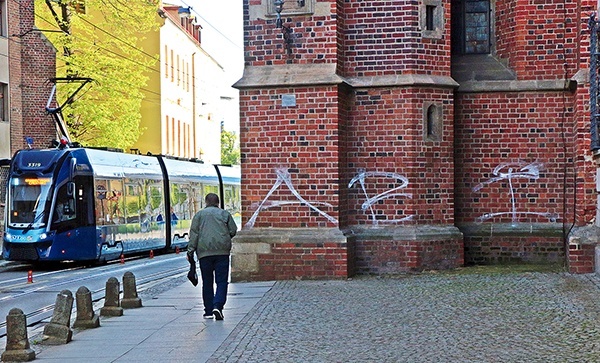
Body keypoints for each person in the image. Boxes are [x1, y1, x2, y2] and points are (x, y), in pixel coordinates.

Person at [187, 193, 238, 320]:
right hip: (222, 253)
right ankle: (218, 306)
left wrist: (190, 251)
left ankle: (208, 311)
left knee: (207, 282)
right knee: (221, 281)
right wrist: (224, 238)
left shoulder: (199, 215)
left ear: (205, 202)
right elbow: (233, 230)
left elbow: (194, 234)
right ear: (218, 202)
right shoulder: (224, 214)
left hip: (204, 254)